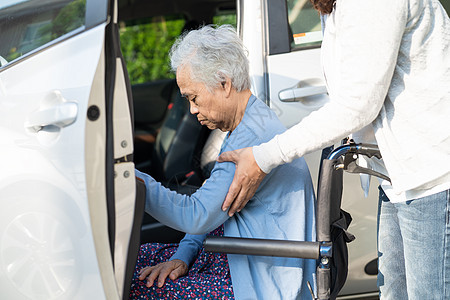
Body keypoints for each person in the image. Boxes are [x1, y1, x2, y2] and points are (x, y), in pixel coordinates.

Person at [218, 0, 450, 299]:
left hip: (432, 171)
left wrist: (263, 157)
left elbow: (355, 106)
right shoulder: (336, 7)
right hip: (399, 177)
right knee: (394, 292)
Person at [129, 24, 317, 300]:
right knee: (137, 259)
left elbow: (196, 215)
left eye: (194, 98)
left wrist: (129, 177)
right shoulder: (251, 120)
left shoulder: (251, 138)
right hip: (239, 255)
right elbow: (214, 208)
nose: (192, 109)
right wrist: (182, 256)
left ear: (224, 84)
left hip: (261, 280)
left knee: (133, 283)